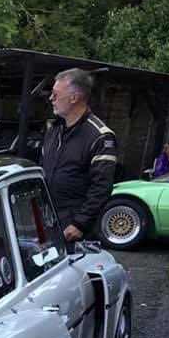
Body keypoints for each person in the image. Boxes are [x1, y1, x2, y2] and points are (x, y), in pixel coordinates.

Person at [40, 68, 117, 244]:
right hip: (49, 221)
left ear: (74, 97)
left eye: (55, 94)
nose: (51, 99)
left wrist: (80, 224)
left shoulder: (100, 136)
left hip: (75, 230)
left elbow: (102, 186)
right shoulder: (54, 131)